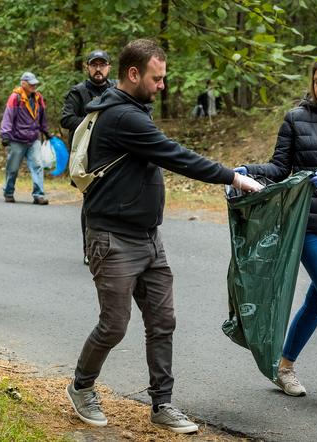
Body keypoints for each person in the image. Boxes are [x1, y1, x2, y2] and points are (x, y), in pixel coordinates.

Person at [65, 39, 263, 434]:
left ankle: (162, 404)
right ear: (134, 74)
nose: (162, 86)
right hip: (113, 237)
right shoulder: (123, 116)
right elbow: (176, 155)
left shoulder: (134, 110)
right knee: (114, 324)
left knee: (162, 321)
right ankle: (81, 386)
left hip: (148, 238)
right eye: (156, 78)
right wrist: (234, 178)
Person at [235, 49, 317, 411]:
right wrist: (248, 170)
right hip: (306, 222)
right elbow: (280, 168)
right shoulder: (296, 118)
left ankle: (285, 366)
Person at [60, 49, 116, 265]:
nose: (98, 69)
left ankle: (112, 248)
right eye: (95, 65)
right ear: (88, 67)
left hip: (112, 155)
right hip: (86, 157)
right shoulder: (78, 92)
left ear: (109, 67)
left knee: (113, 201)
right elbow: (66, 119)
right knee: (91, 202)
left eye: (103, 65)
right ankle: (89, 249)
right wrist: (92, 126)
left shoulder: (116, 90)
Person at [0, 71, 51, 205]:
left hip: (34, 138)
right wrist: (5, 134)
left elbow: (42, 117)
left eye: (35, 83)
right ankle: (8, 192)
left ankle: (38, 195)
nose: (34, 86)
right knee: (13, 168)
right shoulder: (15, 97)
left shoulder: (38, 98)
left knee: (38, 165)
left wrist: (46, 131)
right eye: (31, 84)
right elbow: (8, 116)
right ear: (23, 84)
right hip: (17, 139)